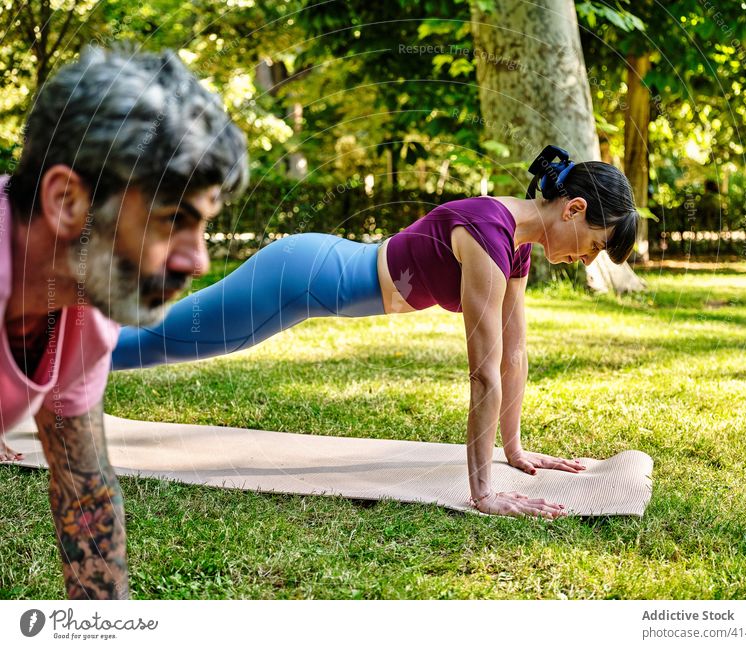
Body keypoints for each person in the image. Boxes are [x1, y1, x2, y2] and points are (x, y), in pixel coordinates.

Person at [112, 146, 639, 519]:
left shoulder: (515, 247)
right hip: (297, 275)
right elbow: (483, 373)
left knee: (162, 337)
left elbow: (514, 354)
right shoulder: (487, 236)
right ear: (574, 209)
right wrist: (484, 493)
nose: (585, 259)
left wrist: (515, 449)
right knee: (160, 341)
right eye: (593, 245)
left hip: (308, 284)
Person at [0, 44, 248, 598]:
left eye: (203, 226)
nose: (198, 260)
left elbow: (84, 489)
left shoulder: (83, 307)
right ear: (67, 201)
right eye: (171, 221)